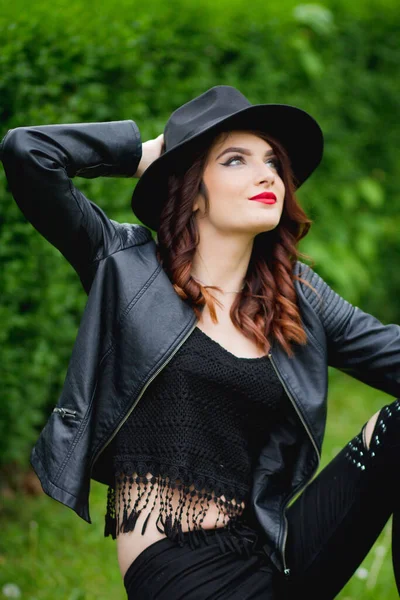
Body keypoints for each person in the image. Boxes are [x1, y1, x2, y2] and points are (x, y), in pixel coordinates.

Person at [1, 84, 400, 600]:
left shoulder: (297, 296)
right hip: (181, 570)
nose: (267, 175)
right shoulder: (125, 264)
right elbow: (27, 153)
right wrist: (146, 154)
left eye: (274, 163)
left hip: (273, 552)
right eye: (236, 159)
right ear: (192, 189)